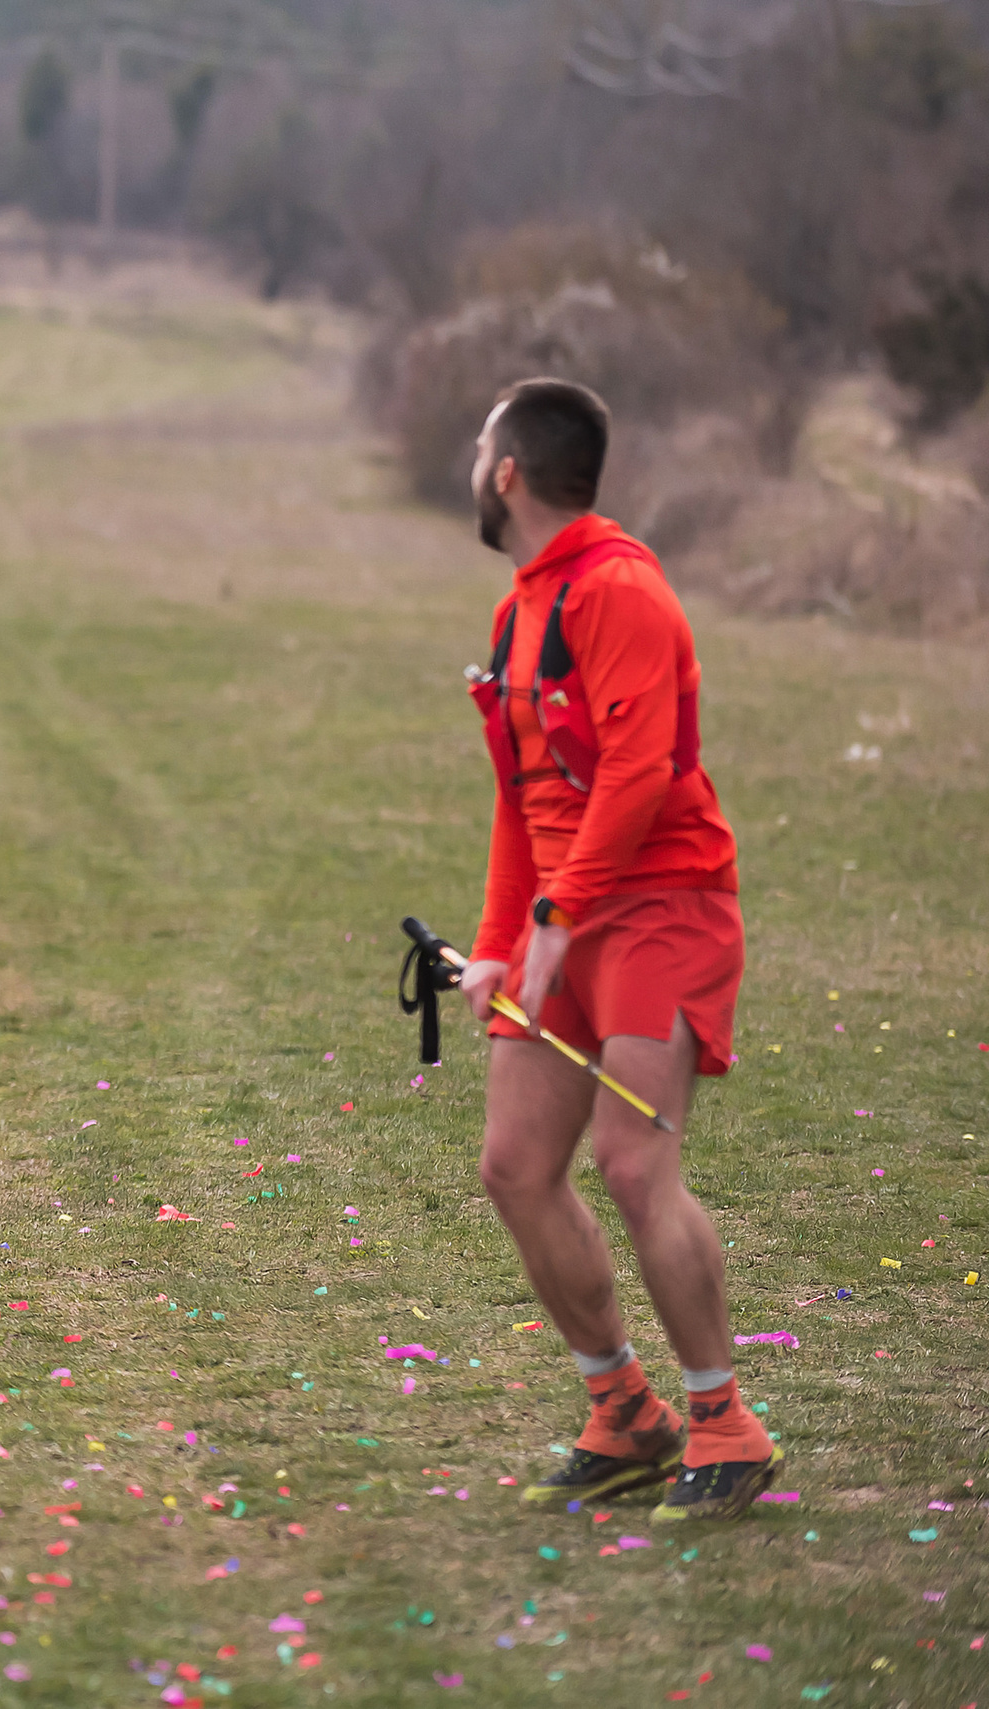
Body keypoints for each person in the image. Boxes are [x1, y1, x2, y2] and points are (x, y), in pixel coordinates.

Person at [456, 379, 779, 1521]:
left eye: (479, 444)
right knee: (513, 1163)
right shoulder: (516, 611)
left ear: (508, 472)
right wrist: (505, 941)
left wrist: (557, 916)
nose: (473, 459)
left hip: (662, 908)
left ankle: (723, 1422)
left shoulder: (618, 589)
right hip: (564, 921)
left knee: (635, 1167)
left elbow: (640, 774)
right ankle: (623, 1409)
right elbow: (518, 798)